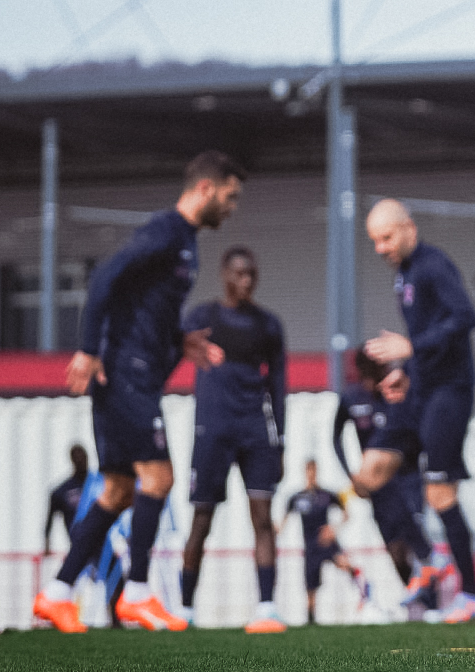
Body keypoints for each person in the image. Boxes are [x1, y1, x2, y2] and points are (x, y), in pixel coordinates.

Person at [32, 150, 245, 633]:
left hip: (136, 372)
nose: (233, 208)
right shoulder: (166, 231)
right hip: (124, 373)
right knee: (159, 479)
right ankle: (138, 592)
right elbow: (107, 277)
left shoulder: (185, 241)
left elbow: (148, 305)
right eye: (231, 197)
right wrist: (88, 349)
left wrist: (179, 340)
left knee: (119, 490)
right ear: (206, 189)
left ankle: (57, 592)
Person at [353, 198, 475, 622]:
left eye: (387, 237)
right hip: (418, 390)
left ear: (408, 228)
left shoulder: (433, 265)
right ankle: (429, 558)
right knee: (369, 473)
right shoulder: (404, 275)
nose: (380, 248)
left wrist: (412, 348)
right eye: (374, 241)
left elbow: (466, 317)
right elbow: (425, 337)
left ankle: (471, 594)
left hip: (449, 391)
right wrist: (404, 370)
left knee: (439, 492)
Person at [179, 246, 288, 633]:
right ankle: (185, 608)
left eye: (252, 275)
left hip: (255, 430)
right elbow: (170, 349)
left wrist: (281, 441)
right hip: (213, 428)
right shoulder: (202, 317)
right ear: (225, 274)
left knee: (262, 517)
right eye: (240, 274)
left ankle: (267, 606)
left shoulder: (268, 324)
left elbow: (277, 383)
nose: (247, 281)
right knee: (202, 518)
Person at [333, 348, 432, 587]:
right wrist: (353, 475)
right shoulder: (351, 397)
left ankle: (433, 602)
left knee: (415, 541)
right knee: (394, 549)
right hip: (378, 489)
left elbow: (419, 432)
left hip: (406, 479)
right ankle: (418, 601)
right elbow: (334, 438)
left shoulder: (397, 392)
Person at [281, 459, 368, 625]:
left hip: (327, 543)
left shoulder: (327, 495)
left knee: (348, 565)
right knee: (311, 589)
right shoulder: (297, 497)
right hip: (310, 546)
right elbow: (282, 523)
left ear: (317, 471)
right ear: (305, 472)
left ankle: (365, 599)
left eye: (314, 470)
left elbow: (346, 514)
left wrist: (332, 529)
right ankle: (311, 621)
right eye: (308, 470)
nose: (311, 474)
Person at [44, 445, 92, 555]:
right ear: (72, 460)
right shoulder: (62, 491)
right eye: (77, 458)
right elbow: (49, 519)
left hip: (103, 545)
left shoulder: (100, 485)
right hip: (78, 546)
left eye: (83, 457)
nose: (80, 461)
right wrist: (47, 542)